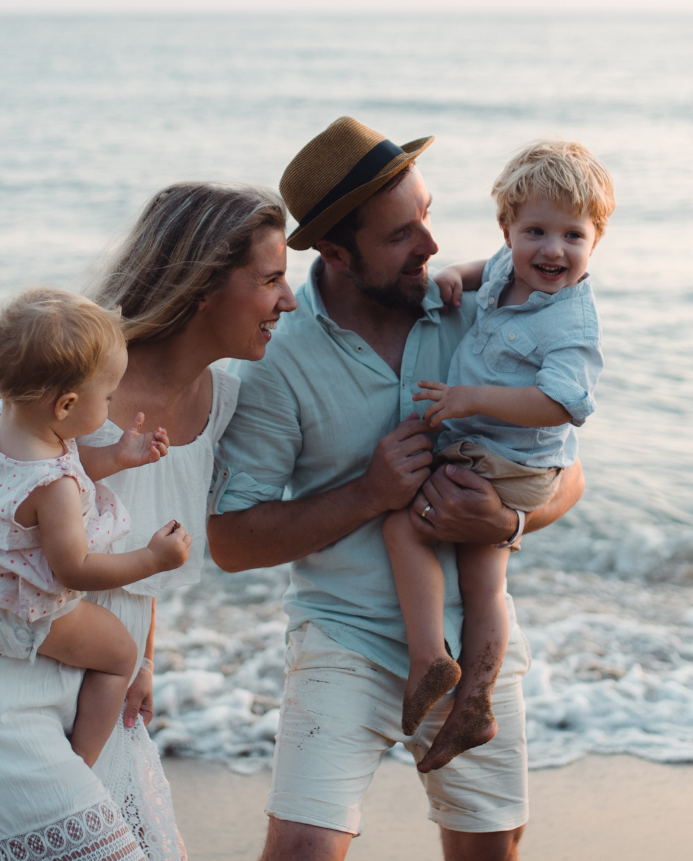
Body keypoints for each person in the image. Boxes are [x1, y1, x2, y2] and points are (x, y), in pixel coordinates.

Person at [208, 117, 585, 861]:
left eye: (429, 215)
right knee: (301, 852)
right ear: (338, 253)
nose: (432, 246)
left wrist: (504, 521)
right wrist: (368, 493)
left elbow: (569, 476)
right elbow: (231, 541)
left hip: (474, 638)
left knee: (489, 851)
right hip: (341, 637)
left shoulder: (482, 313)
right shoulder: (277, 356)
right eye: (401, 235)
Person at [0, 182, 296, 861]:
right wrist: (19, 586)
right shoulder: (69, 376)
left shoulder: (221, 401)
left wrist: (146, 655)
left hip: (101, 711)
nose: (287, 299)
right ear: (201, 286)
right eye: (272, 278)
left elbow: (143, 542)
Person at [0, 287, 191, 768]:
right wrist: (153, 558)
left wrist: (119, 455)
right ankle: (82, 761)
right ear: (65, 406)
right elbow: (75, 568)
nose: (110, 405)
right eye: (107, 397)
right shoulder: (56, 487)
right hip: (22, 616)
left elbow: (54, 461)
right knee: (119, 657)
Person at [384, 140, 614, 772]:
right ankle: (465, 695)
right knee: (471, 573)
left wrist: (466, 398)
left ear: (596, 240)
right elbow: (485, 268)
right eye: (534, 231)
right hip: (493, 452)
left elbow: (563, 403)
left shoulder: (572, 322)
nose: (553, 250)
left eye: (574, 235)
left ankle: (440, 666)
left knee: (411, 530)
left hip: (514, 461)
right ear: (507, 231)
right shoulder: (508, 270)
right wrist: (456, 277)